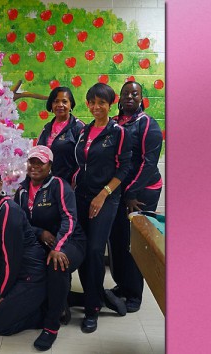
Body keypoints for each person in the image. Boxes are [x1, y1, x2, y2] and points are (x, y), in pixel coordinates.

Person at [14, 145, 86, 351]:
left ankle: (51, 325)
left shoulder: (59, 186)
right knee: (37, 268)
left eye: (40, 162)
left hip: (71, 241)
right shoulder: (21, 191)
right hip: (44, 241)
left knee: (56, 265)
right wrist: (40, 233)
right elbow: (22, 222)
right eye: (32, 162)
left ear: (50, 165)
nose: (35, 166)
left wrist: (59, 247)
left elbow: (70, 219)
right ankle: (80, 299)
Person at [74, 83, 131, 333]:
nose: (97, 107)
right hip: (82, 196)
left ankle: (92, 309)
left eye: (102, 103)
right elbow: (82, 164)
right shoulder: (85, 131)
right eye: (92, 102)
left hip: (106, 198)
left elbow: (124, 168)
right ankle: (95, 295)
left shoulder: (117, 132)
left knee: (96, 249)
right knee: (84, 249)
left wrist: (103, 194)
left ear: (110, 105)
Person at [106, 81, 163, 313]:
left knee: (133, 243)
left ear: (141, 99)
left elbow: (148, 164)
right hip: (120, 191)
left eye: (135, 94)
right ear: (119, 98)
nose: (130, 96)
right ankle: (123, 285)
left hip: (142, 191)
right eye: (126, 93)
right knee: (117, 239)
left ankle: (134, 295)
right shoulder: (115, 123)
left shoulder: (148, 124)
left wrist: (131, 193)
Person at [0, 165, 46, 336]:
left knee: (0, 326)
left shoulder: (8, 210)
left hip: (30, 275)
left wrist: (3, 294)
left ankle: (45, 312)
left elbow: (11, 259)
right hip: (13, 272)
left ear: (0, 184)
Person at [37, 86, 84, 184]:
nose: (60, 105)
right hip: (47, 184)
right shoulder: (47, 128)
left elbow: (83, 161)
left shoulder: (79, 127)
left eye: (64, 101)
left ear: (71, 105)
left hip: (70, 185)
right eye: (56, 101)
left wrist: (73, 184)